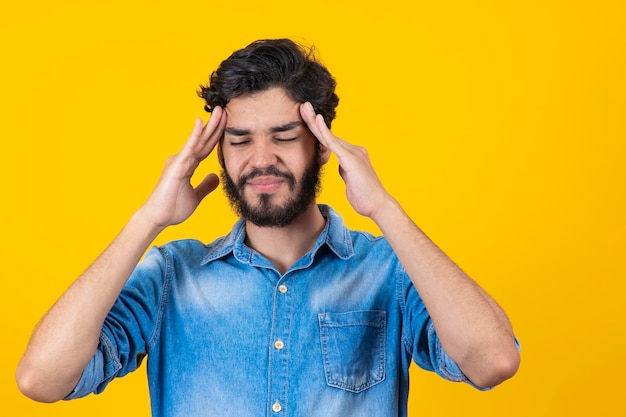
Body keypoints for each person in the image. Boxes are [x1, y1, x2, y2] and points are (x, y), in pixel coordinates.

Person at [16, 38, 520, 416]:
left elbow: (493, 361)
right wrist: (147, 220)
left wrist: (385, 208)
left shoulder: (389, 271)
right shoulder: (172, 275)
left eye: (284, 136)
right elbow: (43, 379)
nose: (262, 160)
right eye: (239, 140)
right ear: (218, 150)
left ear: (322, 145)